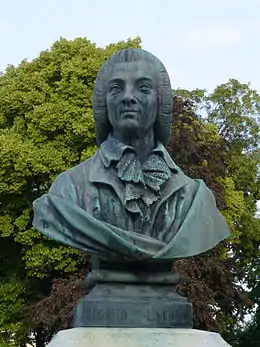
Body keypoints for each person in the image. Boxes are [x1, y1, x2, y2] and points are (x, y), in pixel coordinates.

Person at [33, 49, 230, 261]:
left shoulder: (194, 199)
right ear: (104, 102)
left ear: (160, 101)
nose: (128, 97)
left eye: (143, 88)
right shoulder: (67, 190)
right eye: (116, 88)